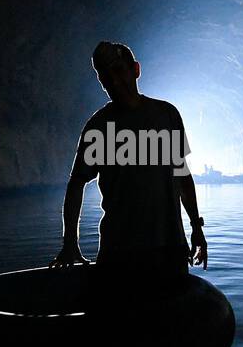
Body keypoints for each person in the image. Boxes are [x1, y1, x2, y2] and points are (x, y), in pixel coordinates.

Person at [50, 42, 208, 300]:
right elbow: (77, 182)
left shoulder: (167, 115)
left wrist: (196, 227)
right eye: (105, 76)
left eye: (118, 70)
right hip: (121, 254)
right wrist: (70, 243)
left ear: (135, 69)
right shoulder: (98, 127)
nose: (113, 81)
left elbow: (182, 175)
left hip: (169, 249)